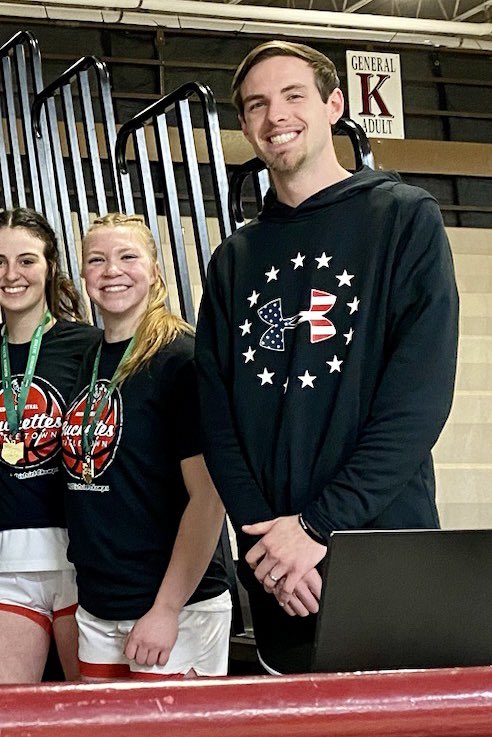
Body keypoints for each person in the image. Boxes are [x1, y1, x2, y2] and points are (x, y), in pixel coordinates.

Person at [194, 41, 459, 674]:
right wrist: (266, 537)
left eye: (293, 96)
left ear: (334, 105)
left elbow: (417, 405)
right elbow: (217, 414)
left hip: (381, 548)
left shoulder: (404, 219)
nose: (274, 115)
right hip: (275, 567)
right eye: (256, 104)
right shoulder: (235, 258)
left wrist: (312, 529)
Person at [60, 213, 233, 680]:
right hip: (100, 605)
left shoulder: (182, 359)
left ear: (155, 269)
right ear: (83, 275)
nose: (111, 270)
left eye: (127, 257)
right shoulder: (89, 358)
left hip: (175, 609)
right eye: (96, 260)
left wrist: (167, 609)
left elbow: (209, 499)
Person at [0, 208, 100, 683]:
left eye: (26, 260)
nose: (11, 274)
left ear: (50, 267)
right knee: (2, 720)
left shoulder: (91, 347)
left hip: (81, 555)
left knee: (92, 721)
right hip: (1, 561)